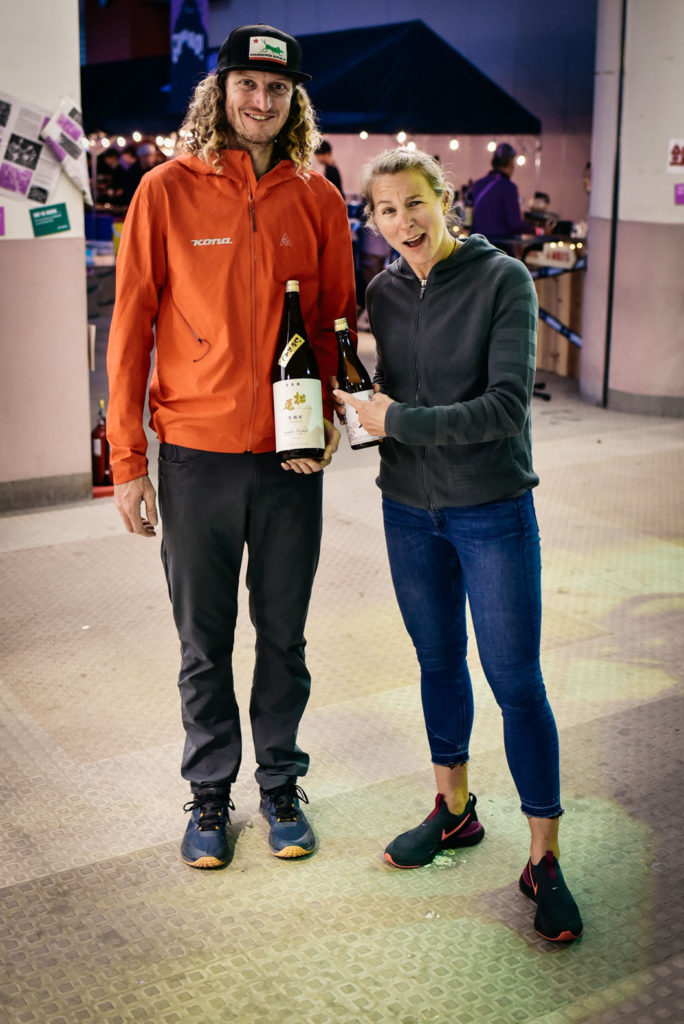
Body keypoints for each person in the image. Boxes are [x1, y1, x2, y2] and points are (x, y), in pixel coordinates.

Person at [106, 23, 356, 870]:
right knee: (203, 642)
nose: (261, 100)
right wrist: (128, 462)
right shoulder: (165, 192)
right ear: (219, 92)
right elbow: (129, 330)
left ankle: (280, 785)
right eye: (247, 83)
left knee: (284, 637)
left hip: (290, 459)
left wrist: (328, 418)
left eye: (278, 89)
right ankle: (209, 794)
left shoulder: (318, 197)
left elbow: (335, 321)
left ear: (295, 101)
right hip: (196, 456)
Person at [333, 148, 583, 943]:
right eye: (386, 210)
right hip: (408, 510)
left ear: (445, 200)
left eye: (415, 203)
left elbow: (506, 408)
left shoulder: (502, 279)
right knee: (438, 662)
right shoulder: (382, 291)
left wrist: (397, 420)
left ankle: (544, 858)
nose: (403, 222)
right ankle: (454, 810)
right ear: (373, 220)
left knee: (516, 682)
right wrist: (355, 413)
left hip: (491, 508)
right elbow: (389, 396)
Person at [470, 142, 534, 245]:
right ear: (510, 162)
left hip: (479, 246)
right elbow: (515, 225)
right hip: (500, 247)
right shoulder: (509, 187)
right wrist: (538, 231)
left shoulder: (478, 184)